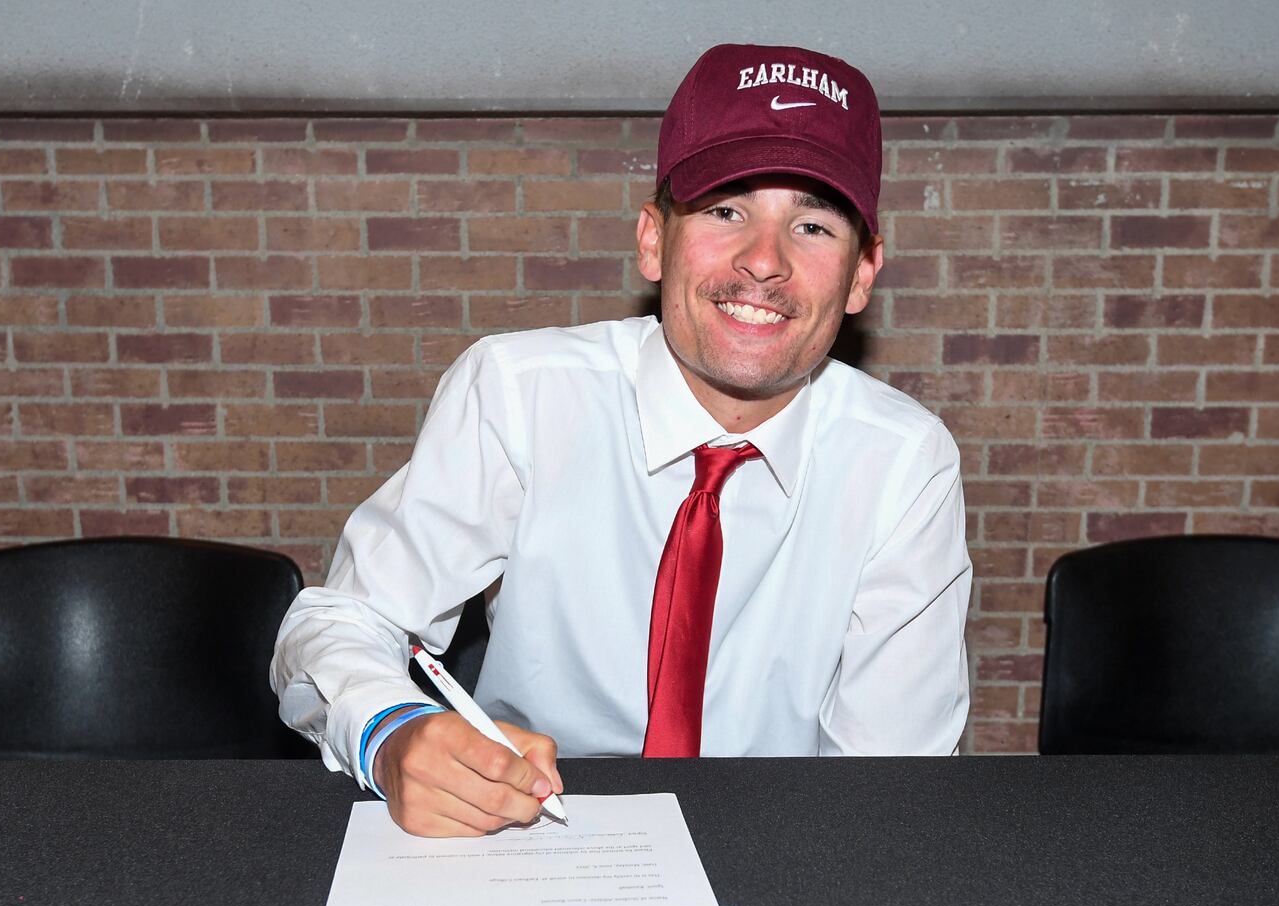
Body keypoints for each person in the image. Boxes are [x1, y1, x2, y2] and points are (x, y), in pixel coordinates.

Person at [271, 43, 971, 837]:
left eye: (811, 224)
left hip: (791, 842)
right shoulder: (520, 392)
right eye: (726, 210)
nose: (764, 262)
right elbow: (336, 621)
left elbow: (890, 781)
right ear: (652, 240)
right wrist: (388, 732)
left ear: (861, 277)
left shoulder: (905, 463)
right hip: (533, 830)